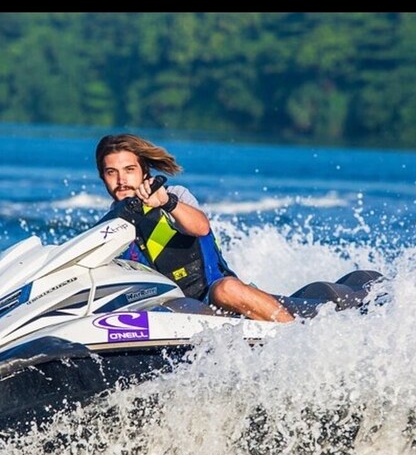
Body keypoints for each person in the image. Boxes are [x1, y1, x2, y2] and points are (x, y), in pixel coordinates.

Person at [95, 133, 294, 323]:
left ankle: (296, 334)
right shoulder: (107, 228)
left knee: (226, 289)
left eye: (129, 170)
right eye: (111, 172)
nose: (121, 180)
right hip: (165, 307)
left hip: (213, 293)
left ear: (144, 171)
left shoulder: (174, 195)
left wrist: (167, 202)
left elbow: (201, 227)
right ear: (103, 177)